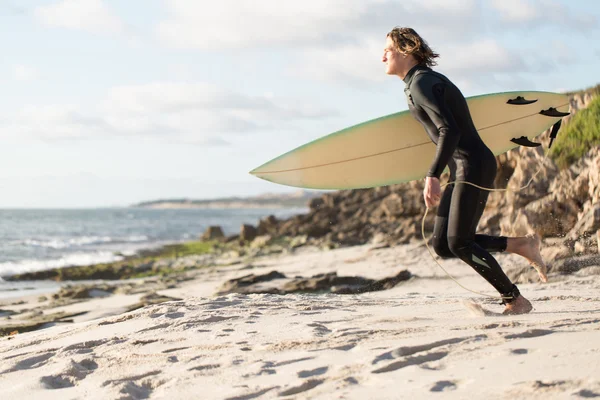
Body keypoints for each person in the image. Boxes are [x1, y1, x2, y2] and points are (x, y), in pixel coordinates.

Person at [382, 27, 548, 315]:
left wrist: (432, 175)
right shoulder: (419, 82)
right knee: (444, 245)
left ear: (406, 50)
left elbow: (450, 130)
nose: (382, 55)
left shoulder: (421, 83)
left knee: (459, 242)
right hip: (462, 167)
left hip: (471, 165)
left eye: (388, 49)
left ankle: (514, 299)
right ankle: (521, 244)